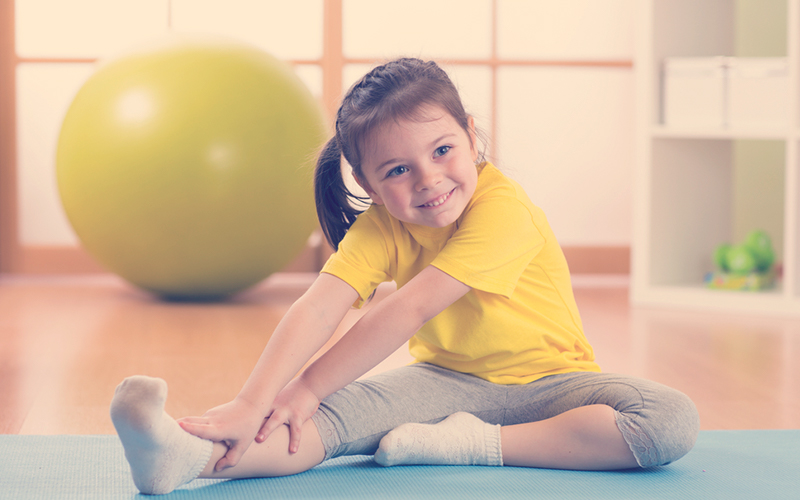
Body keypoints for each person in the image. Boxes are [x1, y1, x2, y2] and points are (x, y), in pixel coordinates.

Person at [109, 57, 700, 495]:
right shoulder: (381, 227)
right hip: (444, 383)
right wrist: (255, 400)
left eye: (443, 150)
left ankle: (469, 445)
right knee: (313, 421)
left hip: (551, 388)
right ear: (368, 183)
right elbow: (320, 306)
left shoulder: (505, 210)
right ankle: (183, 457)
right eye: (398, 169)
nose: (428, 180)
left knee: (668, 421)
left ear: (471, 136)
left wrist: (309, 384)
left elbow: (408, 309)